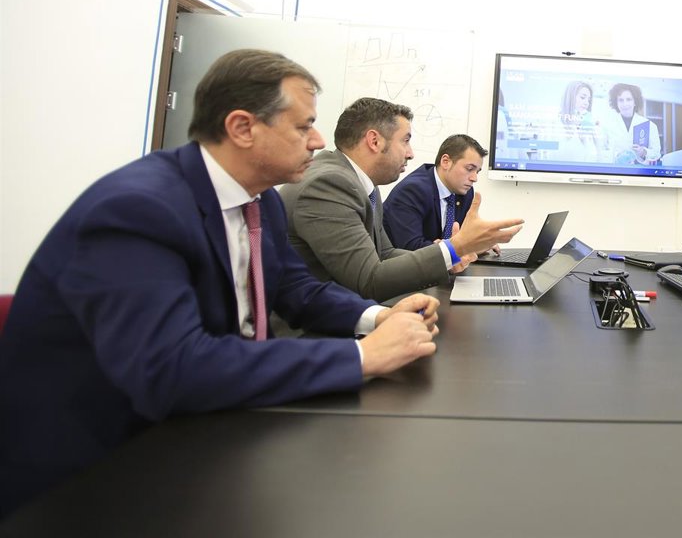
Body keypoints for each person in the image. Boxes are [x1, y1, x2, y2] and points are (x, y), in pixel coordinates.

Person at [0, 50, 444, 518]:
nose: (317, 141)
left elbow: (297, 289)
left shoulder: (260, 201)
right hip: (92, 477)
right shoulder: (137, 210)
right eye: (303, 127)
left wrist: (378, 317)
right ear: (242, 128)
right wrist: (362, 357)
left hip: (204, 431)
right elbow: (172, 369)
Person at [281, 106, 520, 301]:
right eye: (405, 141)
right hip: (311, 328)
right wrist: (454, 249)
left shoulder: (364, 184)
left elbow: (385, 253)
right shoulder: (329, 184)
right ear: (374, 141)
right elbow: (369, 280)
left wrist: (448, 260)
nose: (411, 153)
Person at [382, 133, 496, 253]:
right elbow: (411, 247)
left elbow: (461, 237)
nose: (474, 178)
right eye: (469, 169)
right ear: (446, 162)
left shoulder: (465, 192)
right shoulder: (412, 190)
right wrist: (457, 248)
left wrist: (479, 242)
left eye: (477, 171)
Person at [600, 82, 661, 165]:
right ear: (616, 102)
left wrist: (644, 152)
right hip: (616, 169)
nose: (625, 104)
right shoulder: (607, 125)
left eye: (628, 99)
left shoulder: (650, 125)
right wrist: (615, 155)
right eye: (621, 100)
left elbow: (657, 153)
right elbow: (601, 151)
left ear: (635, 102)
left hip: (639, 171)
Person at [553, 80, 603, 161]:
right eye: (582, 98)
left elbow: (597, 155)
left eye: (588, 100)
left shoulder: (587, 126)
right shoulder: (557, 124)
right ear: (571, 97)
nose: (587, 103)